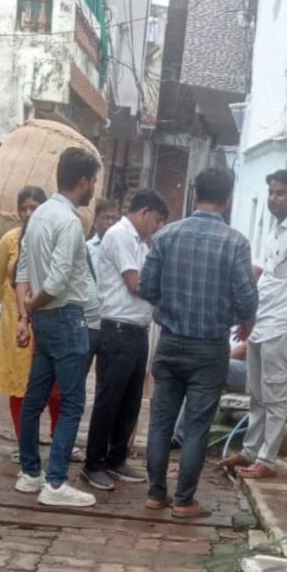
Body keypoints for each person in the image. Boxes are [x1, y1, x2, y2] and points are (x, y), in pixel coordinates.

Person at [138, 167, 259, 520]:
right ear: (228, 200)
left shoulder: (165, 236)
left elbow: (146, 287)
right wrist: (231, 315)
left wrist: (170, 306)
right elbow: (247, 301)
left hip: (170, 341)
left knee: (161, 421)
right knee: (196, 426)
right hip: (210, 347)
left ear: (194, 195)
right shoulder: (235, 243)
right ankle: (183, 501)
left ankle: (155, 495)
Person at [221, 168, 287, 480]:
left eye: (281, 193)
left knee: (276, 396)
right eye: (271, 192)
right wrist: (248, 317)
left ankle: (267, 460)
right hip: (262, 322)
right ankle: (250, 451)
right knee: (256, 393)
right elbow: (265, 279)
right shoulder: (275, 231)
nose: (274, 198)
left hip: (282, 326)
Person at [15, 146, 100, 508]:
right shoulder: (68, 221)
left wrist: (26, 314)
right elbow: (58, 280)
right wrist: (32, 307)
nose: (93, 188)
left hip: (46, 321)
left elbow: (22, 271)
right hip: (64, 317)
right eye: (93, 181)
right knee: (72, 402)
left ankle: (30, 473)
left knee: (34, 399)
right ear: (83, 181)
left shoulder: (38, 216)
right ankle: (55, 482)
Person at [82, 189, 169, 491]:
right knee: (109, 399)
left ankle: (116, 458)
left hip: (138, 330)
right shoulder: (120, 235)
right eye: (156, 220)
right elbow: (135, 283)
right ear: (144, 212)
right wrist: (164, 291)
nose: (156, 227)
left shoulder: (141, 243)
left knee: (130, 401)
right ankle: (93, 463)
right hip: (118, 329)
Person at [0, 187, 62, 459]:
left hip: (49, 319)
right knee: (19, 385)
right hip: (16, 324)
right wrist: (14, 306)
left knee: (56, 385)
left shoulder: (54, 238)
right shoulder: (10, 240)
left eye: (34, 207)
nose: (29, 213)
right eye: (24, 208)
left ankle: (58, 437)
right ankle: (24, 444)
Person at [172, 334, 248, 448]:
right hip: (223, 362)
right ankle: (177, 434)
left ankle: (181, 436)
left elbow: (245, 348)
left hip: (246, 366)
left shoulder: (251, 323)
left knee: (205, 371)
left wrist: (216, 360)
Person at [86, 198, 119, 266]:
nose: (110, 222)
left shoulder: (122, 248)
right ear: (95, 221)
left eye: (114, 218)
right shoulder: (87, 249)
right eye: (106, 218)